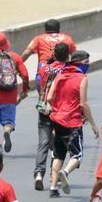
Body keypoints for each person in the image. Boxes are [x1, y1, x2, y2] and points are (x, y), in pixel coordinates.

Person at [46, 51, 99, 197]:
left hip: (57, 120)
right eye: (86, 62)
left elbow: (49, 97)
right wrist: (94, 125)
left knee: (58, 154)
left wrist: (59, 107)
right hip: (73, 122)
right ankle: (66, 172)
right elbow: (83, 103)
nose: (88, 64)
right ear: (80, 63)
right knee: (77, 154)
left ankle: (52, 188)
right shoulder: (82, 78)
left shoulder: (59, 75)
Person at [34, 42, 70, 189]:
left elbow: (37, 83)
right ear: (68, 55)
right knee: (58, 144)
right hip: (59, 110)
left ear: (54, 54)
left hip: (43, 109)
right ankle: (52, 175)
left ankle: (38, 174)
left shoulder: (43, 67)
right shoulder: (67, 70)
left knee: (43, 143)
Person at [21, 18, 76, 87]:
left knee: (42, 93)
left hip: (44, 71)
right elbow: (75, 55)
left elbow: (26, 53)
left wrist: (18, 65)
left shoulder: (39, 39)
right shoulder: (67, 38)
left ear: (45, 29)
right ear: (58, 28)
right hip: (63, 71)